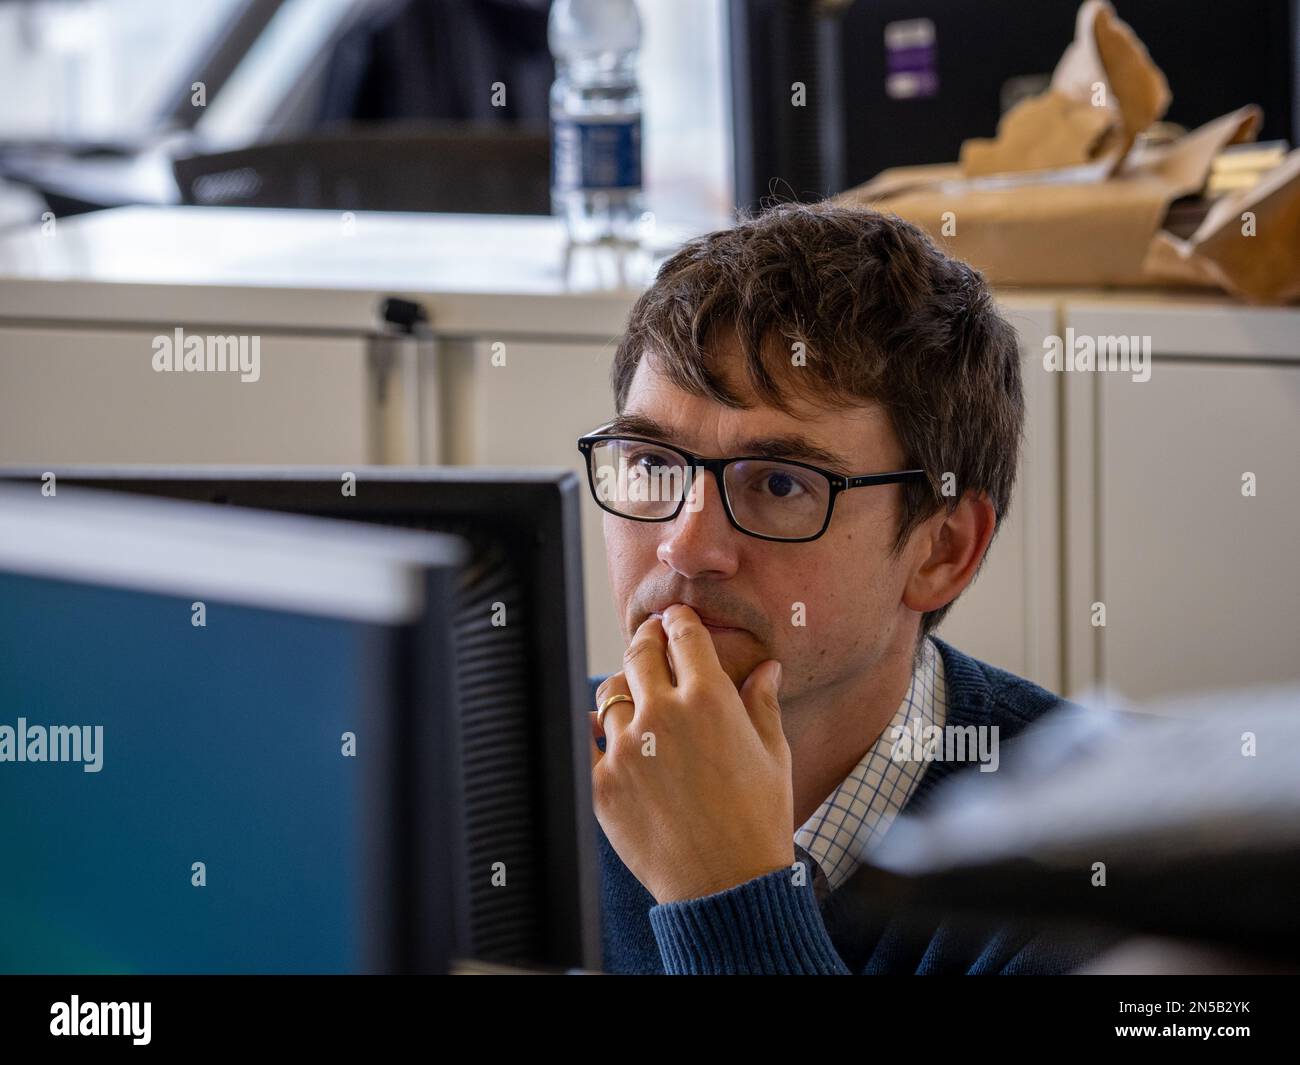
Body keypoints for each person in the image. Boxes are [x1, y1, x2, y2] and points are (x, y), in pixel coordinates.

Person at [578, 201, 1114, 974]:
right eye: (654, 465)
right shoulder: (500, 770)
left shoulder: (1103, 867)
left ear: (943, 550)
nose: (687, 546)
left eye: (780, 482)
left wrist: (729, 894)